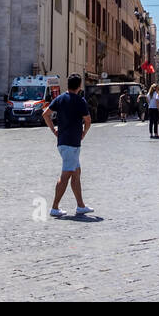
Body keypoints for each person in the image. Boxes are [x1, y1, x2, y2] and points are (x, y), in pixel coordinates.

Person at [44, 74, 93, 218]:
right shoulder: (80, 101)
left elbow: (46, 114)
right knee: (66, 175)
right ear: (79, 86)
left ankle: (80, 206)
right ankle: (54, 207)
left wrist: (53, 130)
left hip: (64, 142)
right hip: (72, 143)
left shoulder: (59, 99)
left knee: (76, 173)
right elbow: (88, 120)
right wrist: (84, 133)